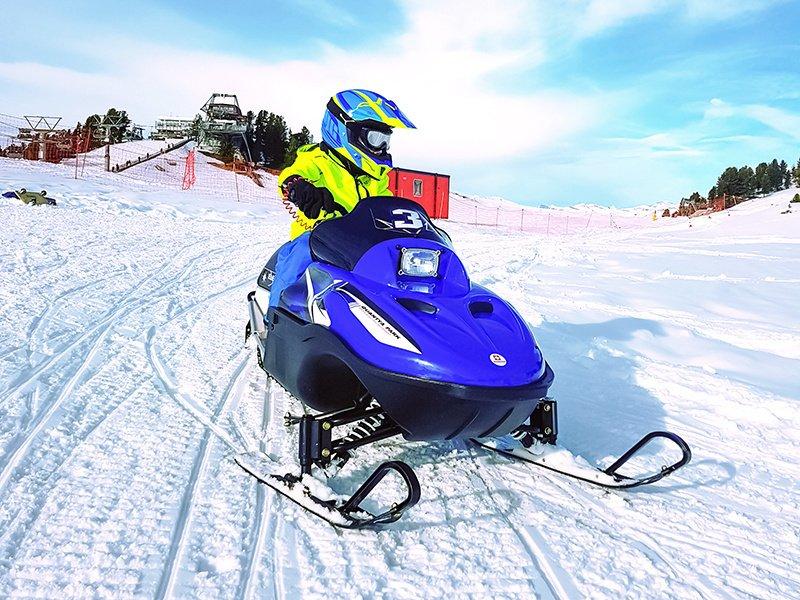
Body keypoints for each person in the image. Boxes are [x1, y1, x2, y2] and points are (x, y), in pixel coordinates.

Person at [268, 89, 416, 307]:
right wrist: (299, 187)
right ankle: (275, 319)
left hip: (360, 245)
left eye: (386, 141)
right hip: (319, 239)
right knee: (300, 252)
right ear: (345, 130)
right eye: (375, 139)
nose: (382, 148)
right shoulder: (317, 160)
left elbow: (387, 206)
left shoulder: (375, 177)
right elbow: (290, 177)